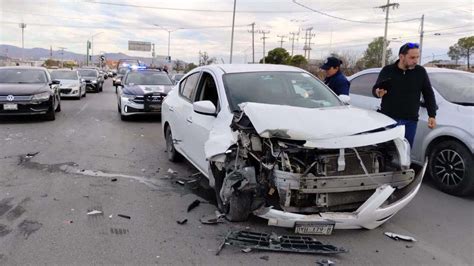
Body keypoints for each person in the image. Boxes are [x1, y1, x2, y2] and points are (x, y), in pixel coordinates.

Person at [373, 42, 437, 147]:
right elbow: (376, 89)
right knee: (385, 152)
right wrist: (378, 92)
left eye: (417, 57)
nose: (416, 61)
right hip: (389, 119)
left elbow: (428, 93)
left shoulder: (420, 72)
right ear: (401, 56)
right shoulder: (388, 70)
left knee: (405, 151)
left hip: (410, 121)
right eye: (412, 57)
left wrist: (432, 115)